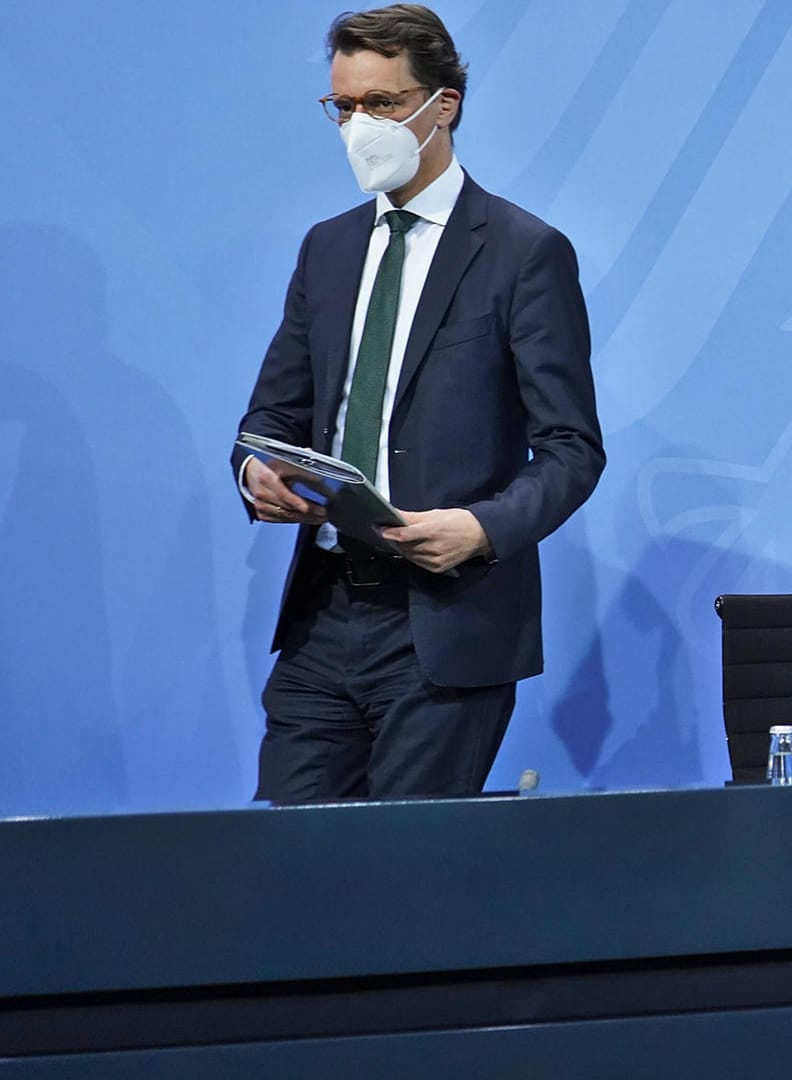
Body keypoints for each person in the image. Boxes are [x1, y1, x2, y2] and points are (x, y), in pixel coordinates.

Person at [232, 5, 604, 801]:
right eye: (344, 107)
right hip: (323, 619)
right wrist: (257, 469)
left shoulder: (523, 252)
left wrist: (483, 527)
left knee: (404, 888)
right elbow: (268, 418)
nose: (359, 126)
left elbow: (573, 448)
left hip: (445, 623)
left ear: (445, 105)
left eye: (384, 104)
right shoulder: (326, 248)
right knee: (283, 875)